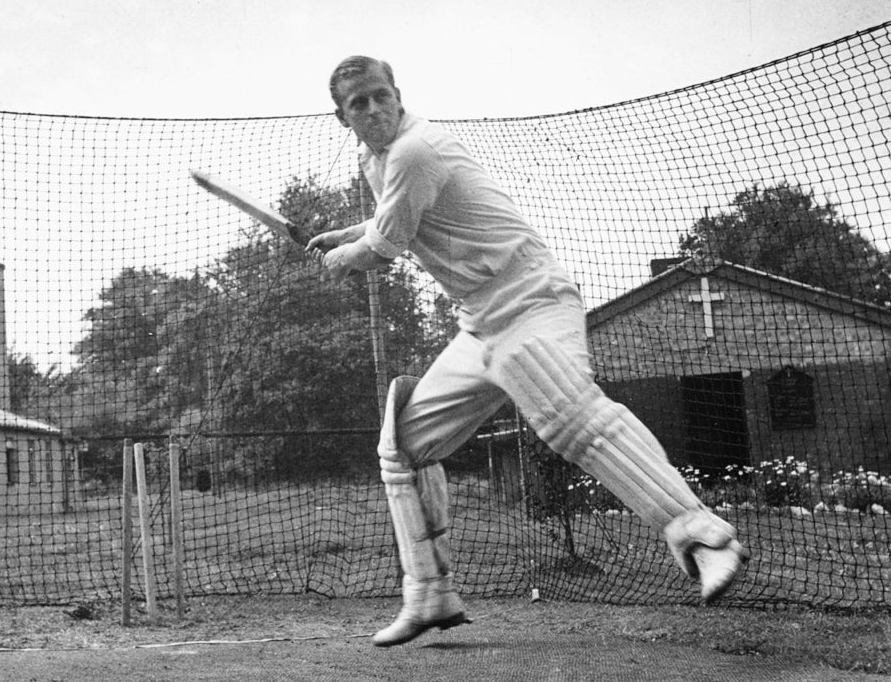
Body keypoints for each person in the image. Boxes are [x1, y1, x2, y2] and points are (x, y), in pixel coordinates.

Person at [306, 56, 749, 648]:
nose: (373, 109)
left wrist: (343, 255)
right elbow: (398, 213)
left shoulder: (416, 148)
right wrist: (345, 233)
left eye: (380, 96)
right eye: (358, 104)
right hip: (480, 323)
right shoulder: (375, 158)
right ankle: (429, 594)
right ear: (342, 117)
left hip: (533, 300)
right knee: (405, 446)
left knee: (567, 415)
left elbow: (386, 243)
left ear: (397, 94)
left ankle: (704, 538)